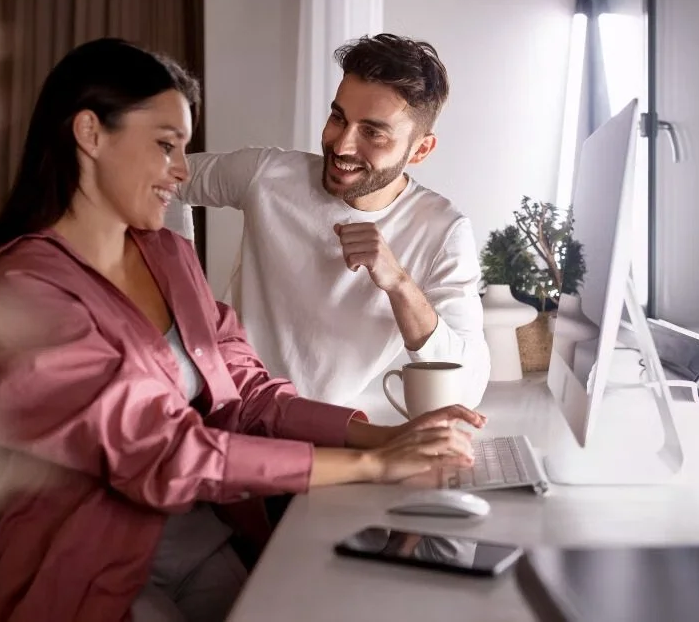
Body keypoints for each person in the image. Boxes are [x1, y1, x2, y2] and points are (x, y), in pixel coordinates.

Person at [0, 38, 485, 622]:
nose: (184, 172)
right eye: (166, 146)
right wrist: (373, 465)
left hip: (201, 536)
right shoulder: (27, 289)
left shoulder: (166, 255)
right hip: (88, 556)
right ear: (89, 135)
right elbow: (166, 453)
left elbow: (248, 394)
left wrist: (389, 440)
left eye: (183, 149)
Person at [174, 34, 491, 408]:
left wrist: (400, 284)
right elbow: (159, 177)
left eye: (372, 132)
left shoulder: (443, 231)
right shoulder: (267, 175)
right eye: (338, 118)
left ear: (420, 149)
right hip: (231, 411)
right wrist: (181, 300)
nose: (341, 146)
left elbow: (468, 387)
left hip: (340, 436)